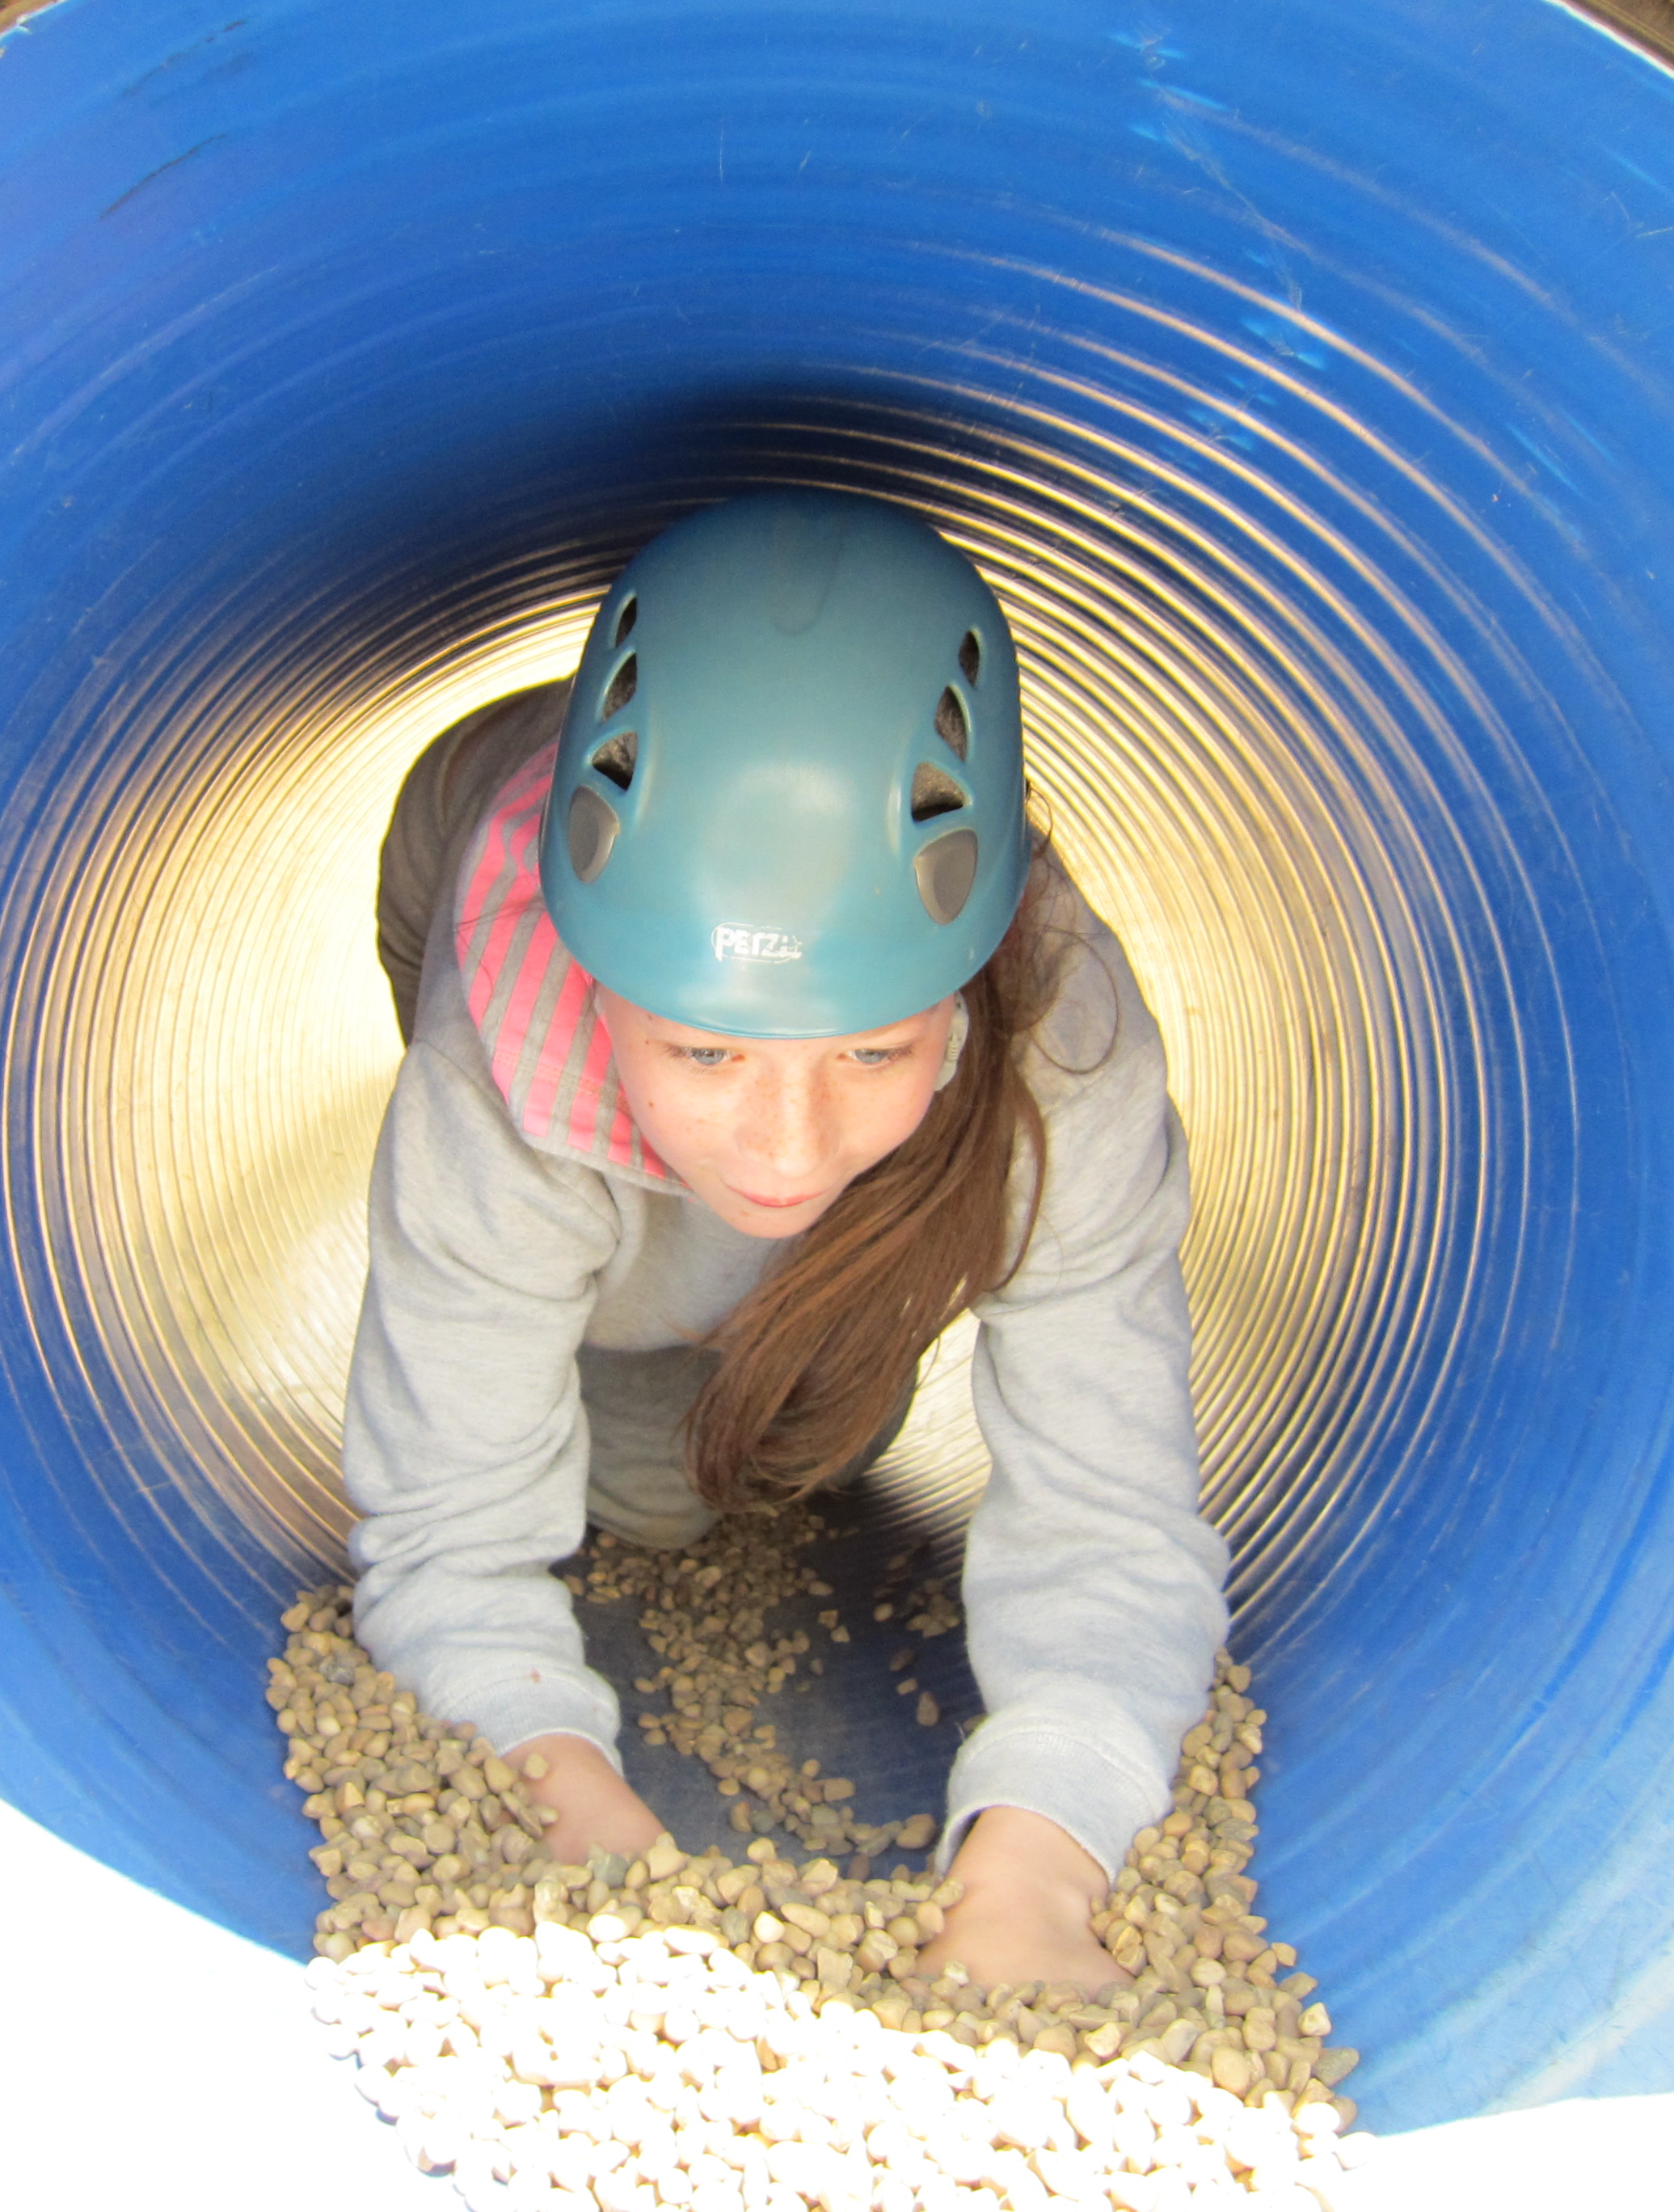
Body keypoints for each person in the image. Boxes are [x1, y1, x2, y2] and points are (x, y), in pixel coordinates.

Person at [344, 490, 1228, 1995]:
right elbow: (447, 1530)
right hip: (463, 855)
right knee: (645, 1486)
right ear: (598, 980)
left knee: (806, 1437)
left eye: (873, 1053)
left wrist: (1043, 1857)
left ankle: (758, 1238)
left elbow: (1114, 1511)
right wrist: (548, 1781)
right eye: (706, 1055)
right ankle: (655, 1287)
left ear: (961, 985)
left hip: (837, 1111)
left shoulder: (1065, 1047)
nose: (785, 1145)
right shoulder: (497, 1052)